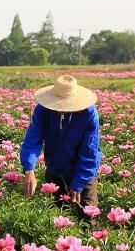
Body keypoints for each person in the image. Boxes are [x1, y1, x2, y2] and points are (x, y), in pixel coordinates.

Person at [20, 75, 102, 220]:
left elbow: (90, 151)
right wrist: (29, 169)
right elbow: (33, 139)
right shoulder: (43, 110)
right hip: (55, 170)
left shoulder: (88, 113)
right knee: (55, 216)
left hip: (84, 171)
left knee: (88, 217)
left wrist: (79, 182)